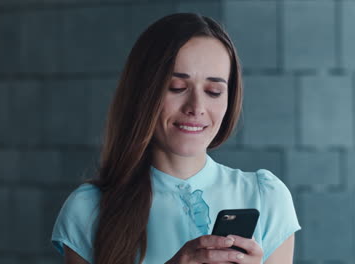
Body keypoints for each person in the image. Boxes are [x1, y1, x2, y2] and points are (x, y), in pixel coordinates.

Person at [51, 13, 301, 264]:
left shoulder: (266, 197)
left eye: (214, 91)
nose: (196, 107)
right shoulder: (88, 209)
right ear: (143, 92)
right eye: (177, 87)